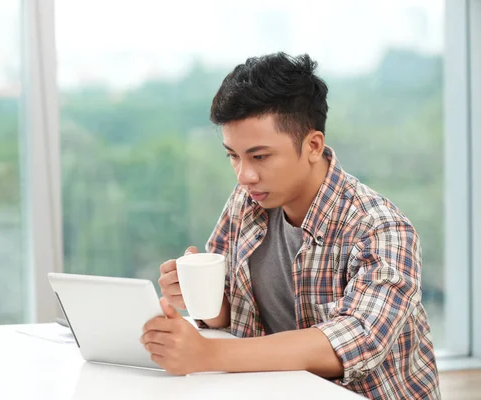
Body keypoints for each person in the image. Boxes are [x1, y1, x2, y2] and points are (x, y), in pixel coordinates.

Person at [140, 51, 440, 399]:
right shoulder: (247, 202)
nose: (244, 175)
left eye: (260, 156)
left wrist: (206, 354)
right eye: (233, 156)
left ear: (313, 145)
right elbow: (233, 313)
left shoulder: (381, 228)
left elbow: (358, 340)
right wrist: (200, 297)